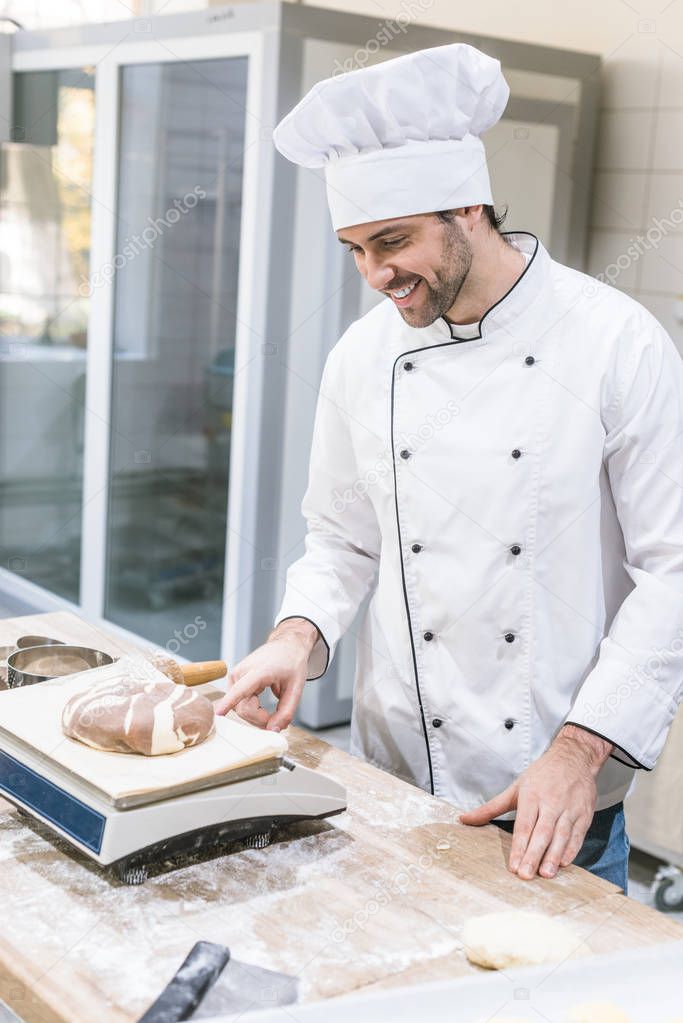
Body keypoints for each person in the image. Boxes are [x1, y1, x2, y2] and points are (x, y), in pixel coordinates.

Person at [216, 44, 683, 890]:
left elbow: (671, 572)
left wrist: (580, 751)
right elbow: (341, 537)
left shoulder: (615, 342)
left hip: (554, 801)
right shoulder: (363, 355)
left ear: (468, 205)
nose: (374, 275)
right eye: (354, 249)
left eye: (391, 241)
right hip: (392, 782)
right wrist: (297, 635)